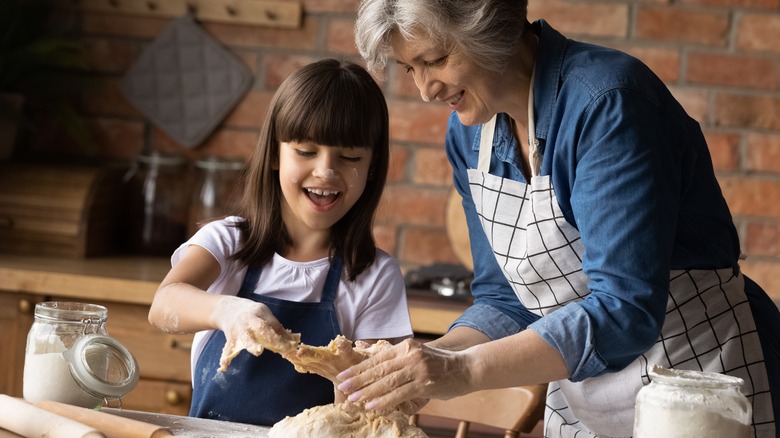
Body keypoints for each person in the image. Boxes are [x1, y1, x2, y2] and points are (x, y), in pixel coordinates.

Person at [336, 1, 780, 437]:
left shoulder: (606, 105)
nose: (425, 89)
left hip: (694, 389)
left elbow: (625, 309)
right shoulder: (469, 134)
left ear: (490, 26)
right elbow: (505, 299)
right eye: (409, 69)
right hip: (582, 407)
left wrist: (462, 369)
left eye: (434, 60)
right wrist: (428, 361)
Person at [147, 58, 414, 426]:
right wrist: (229, 311)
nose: (326, 171)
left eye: (350, 156)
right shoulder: (228, 242)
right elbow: (164, 304)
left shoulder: (373, 276)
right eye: (306, 152)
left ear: (371, 168)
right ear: (274, 153)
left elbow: (376, 408)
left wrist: (356, 379)